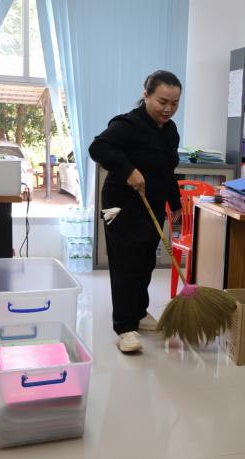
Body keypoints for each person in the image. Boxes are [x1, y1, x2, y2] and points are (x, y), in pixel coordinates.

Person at [89, 71, 183, 354]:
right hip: (121, 205)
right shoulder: (127, 124)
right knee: (125, 264)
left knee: (145, 262)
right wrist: (129, 170)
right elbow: (98, 147)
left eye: (174, 103)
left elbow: (167, 170)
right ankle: (124, 327)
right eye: (162, 102)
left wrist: (175, 203)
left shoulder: (170, 130)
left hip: (151, 204)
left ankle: (139, 313)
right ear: (146, 94)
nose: (168, 109)